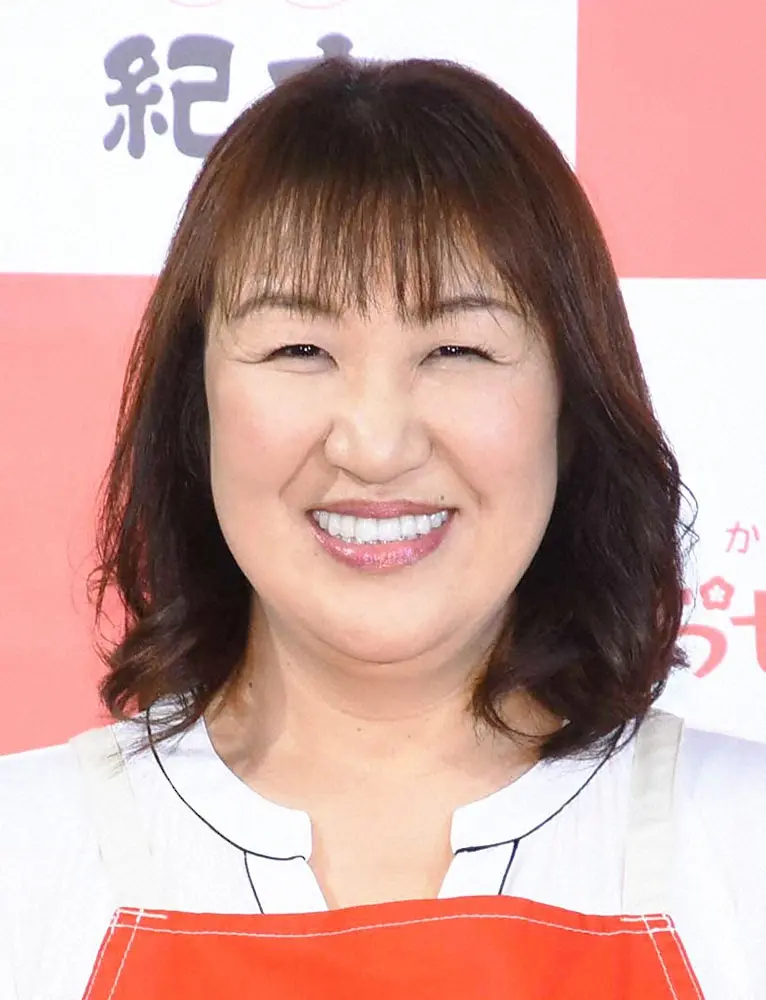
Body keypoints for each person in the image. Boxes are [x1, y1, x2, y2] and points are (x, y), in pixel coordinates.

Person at [0, 56, 763, 1000]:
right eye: (300, 348)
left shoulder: (741, 848)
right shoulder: (26, 861)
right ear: (196, 410)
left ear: (569, 408)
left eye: (456, 349)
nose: (375, 444)